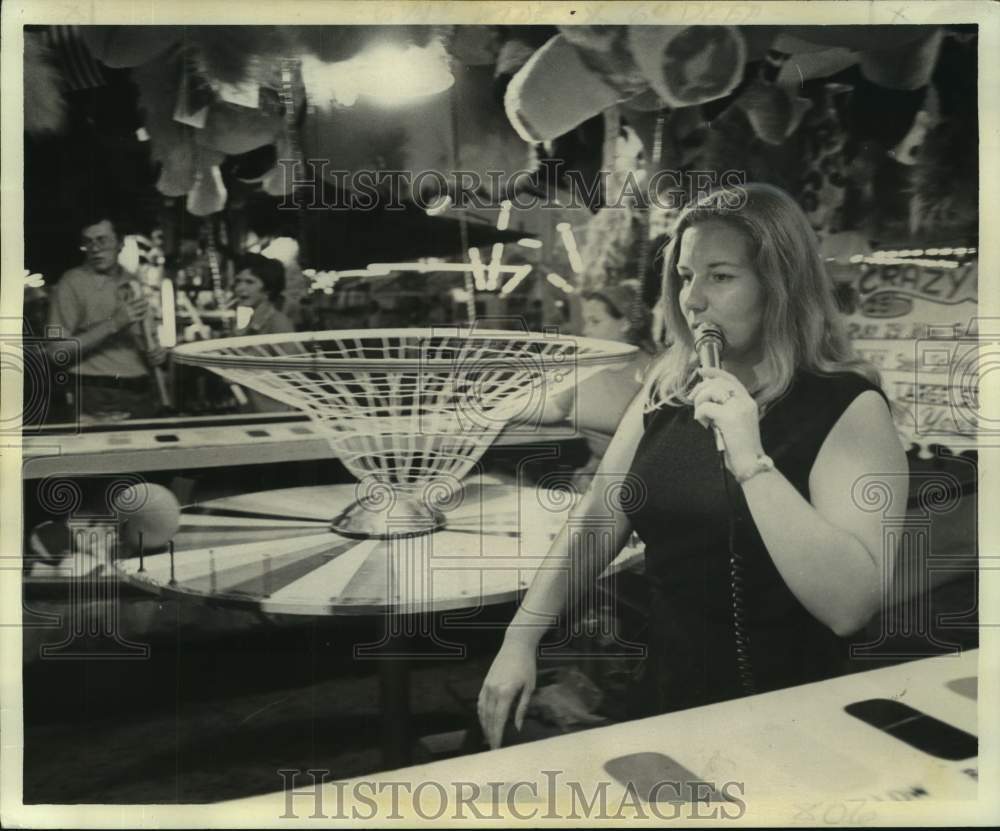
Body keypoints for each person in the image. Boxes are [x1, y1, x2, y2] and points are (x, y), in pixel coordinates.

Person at [478, 183, 908, 749]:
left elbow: (849, 607)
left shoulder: (850, 407)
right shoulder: (670, 387)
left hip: (787, 714)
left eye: (720, 276)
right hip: (667, 695)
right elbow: (598, 522)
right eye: (685, 276)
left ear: (780, 287)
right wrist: (521, 638)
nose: (693, 299)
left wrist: (753, 461)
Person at [47, 214, 166, 419]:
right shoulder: (71, 282)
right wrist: (114, 323)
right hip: (96, 394)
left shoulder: (133, 281)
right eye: (88, 242)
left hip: (142, 393)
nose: (94, 248)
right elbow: (56, 351)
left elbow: (145, 343)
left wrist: (157, 353)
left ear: (120, 244)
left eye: (102, 240)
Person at [231, 252, 295, 412]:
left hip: (273, 411)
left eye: (249, 282)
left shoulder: (278, 323)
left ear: (267, 288)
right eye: (238, 281)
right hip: (252, 409)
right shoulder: (253, 321)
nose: (240, 288)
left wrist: (239, 370)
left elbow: (291, 372)